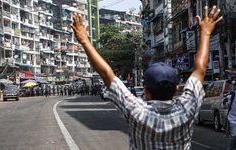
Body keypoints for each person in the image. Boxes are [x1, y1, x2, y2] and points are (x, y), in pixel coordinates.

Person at [71, 5, 222, 150]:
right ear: (176, 89)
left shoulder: (137, 111)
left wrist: (84, 41)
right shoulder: (186, 110)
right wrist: (206, 33)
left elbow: (106, 74)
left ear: (146, 90)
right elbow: (200, 70)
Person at [226, 82, 236, 150]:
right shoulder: (232, 95)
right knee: (234, 135)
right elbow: (227, 105)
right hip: (233, 119)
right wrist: (226, 102)